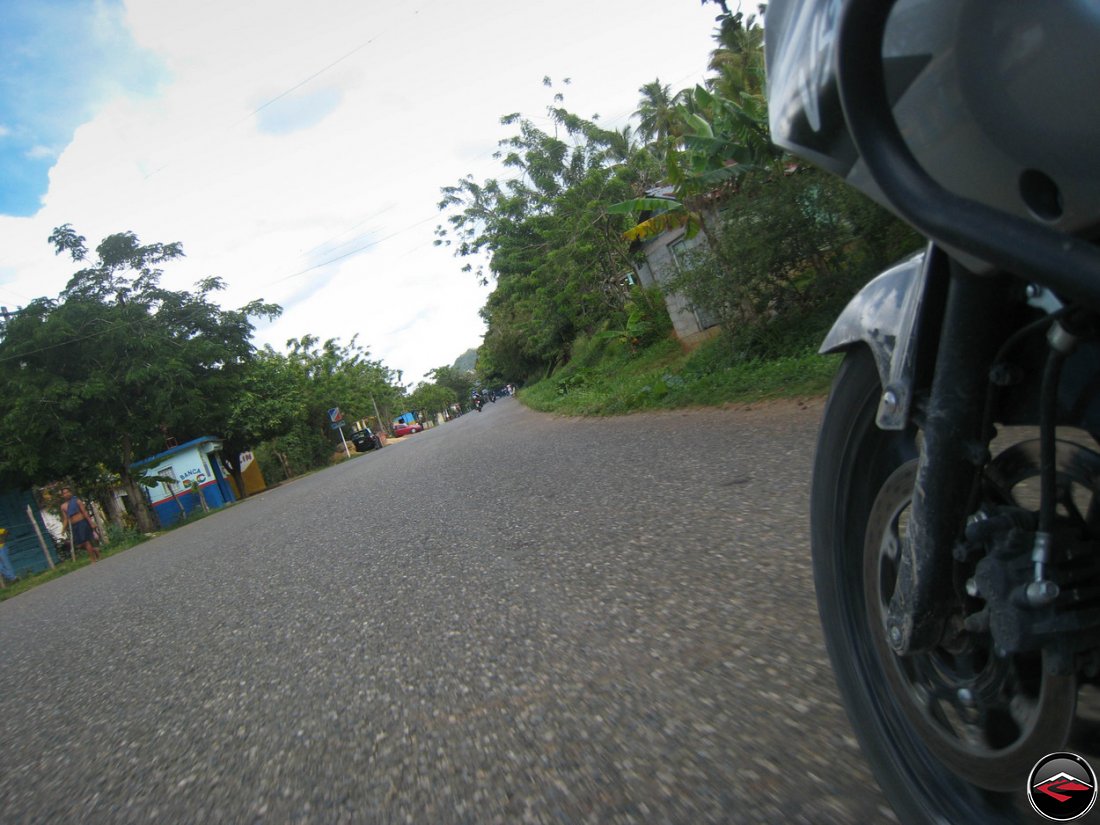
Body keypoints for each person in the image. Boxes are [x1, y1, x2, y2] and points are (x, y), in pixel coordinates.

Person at [60, 487, 100, 562]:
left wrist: (91, 523)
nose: (66, 494)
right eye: (64, 493)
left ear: (70, 492)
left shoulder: (77, 501)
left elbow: (84, 512)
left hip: (82, 523)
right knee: (79, 545)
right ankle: (95, 550)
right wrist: (63, 529)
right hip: (74, 526)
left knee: (86, 541)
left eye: (67, 492)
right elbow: (65, 519)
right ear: (62, 495)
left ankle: (93, 559)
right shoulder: (63, 506)